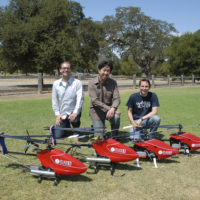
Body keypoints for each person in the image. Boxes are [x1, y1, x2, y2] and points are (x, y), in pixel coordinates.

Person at [88, 60, 120, 137]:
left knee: (116, 117)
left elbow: (117, 98)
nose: (106, 73)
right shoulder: (91, 83)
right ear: (99, 70)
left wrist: (113, 108)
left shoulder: (113, 83)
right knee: (100, 137)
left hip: (109, 111)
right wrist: (110, 108)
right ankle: (97, 127)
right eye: (104, 70)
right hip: (96, 112)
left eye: (108, 71)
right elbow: (95, 101)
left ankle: (114, 137)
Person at [52, 61, 84, 138]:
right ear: (60, 70)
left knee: (75, 121)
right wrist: (57, 114)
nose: (66, 70)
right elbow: (54, 101)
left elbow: (80, 99)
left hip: (74, 111)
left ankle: (76, 126)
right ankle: (67, 127)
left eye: (68, 68)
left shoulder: (77, 83)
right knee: (58, 136)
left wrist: (75, 113)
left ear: (71, 70)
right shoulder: (56, 84)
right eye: (64, 68)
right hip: (62, 113)